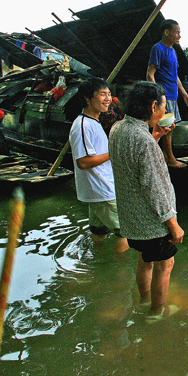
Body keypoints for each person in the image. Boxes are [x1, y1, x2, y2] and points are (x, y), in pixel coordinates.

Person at [108, 81, 184, 320]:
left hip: (131, 219)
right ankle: (156, 312)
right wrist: (172, 224)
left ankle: (143, 301)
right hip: (152, 221)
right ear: (153, 106)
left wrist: (156, 137)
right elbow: (155, 188)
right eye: (163, 106)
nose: (163, 111)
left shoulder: (118, 128)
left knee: (144, 259)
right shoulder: (143, 141)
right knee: (165, 264)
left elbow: (135, 163)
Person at [68, 78, 128, 253]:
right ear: (88, 98)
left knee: (99, 233)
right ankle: (119, 274)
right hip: (102, 190)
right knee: (127, 232)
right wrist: (114, 153)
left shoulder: (93, 122)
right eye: (103, 94)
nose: (108, 98)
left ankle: (98, 266)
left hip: (98, 191)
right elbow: (83, 162)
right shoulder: (83, 125)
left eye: (109, 94)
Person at [146, 18, 188, 168]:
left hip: (172, 96)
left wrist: (185, 95)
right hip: (164, 96)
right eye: (177, 32)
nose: (179, 35)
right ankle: (170, 159)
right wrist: (157, 96)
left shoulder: (173, 51)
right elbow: (150, 73)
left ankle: (166, 158)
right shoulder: (158, 48)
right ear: (167, 32)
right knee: (165, 128)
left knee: (170, 128)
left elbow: (175, 76)